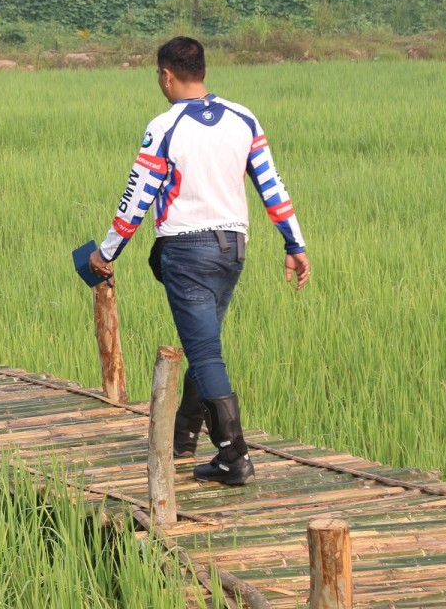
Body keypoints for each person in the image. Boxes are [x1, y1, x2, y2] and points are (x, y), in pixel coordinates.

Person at [88, 36, 310, 487]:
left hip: (187, 252)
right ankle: (184, 436)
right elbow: (272, 185)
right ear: (203, 71)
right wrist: (294, 244)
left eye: (158, 76)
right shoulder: (243, 118)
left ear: (167, 75)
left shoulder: (164, 126)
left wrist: (105, 252)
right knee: (202, 344)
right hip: (233, 249)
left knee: (205, 351)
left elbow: (137, 197)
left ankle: (234, 457)